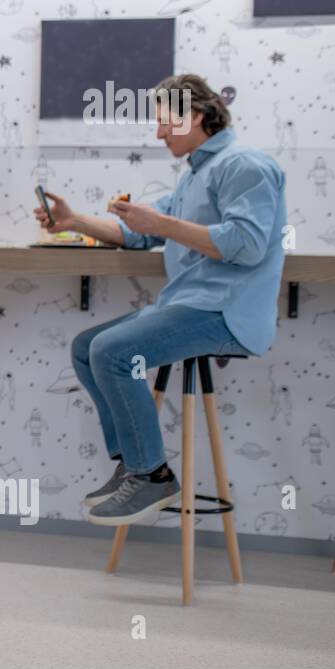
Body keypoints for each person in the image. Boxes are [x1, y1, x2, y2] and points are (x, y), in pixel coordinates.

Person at [36, 74, 286, 525]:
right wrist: (73, 221)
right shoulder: (196, 175)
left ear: (195, 116)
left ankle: (151, 475)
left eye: (165, 122)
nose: (158, 133)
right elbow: (136, 233)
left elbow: (247, 245)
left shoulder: (244, 165)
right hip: (190, 305)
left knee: (112, 351)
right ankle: (133, 464)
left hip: (226, 312)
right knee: (86, 348)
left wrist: (163, 224)